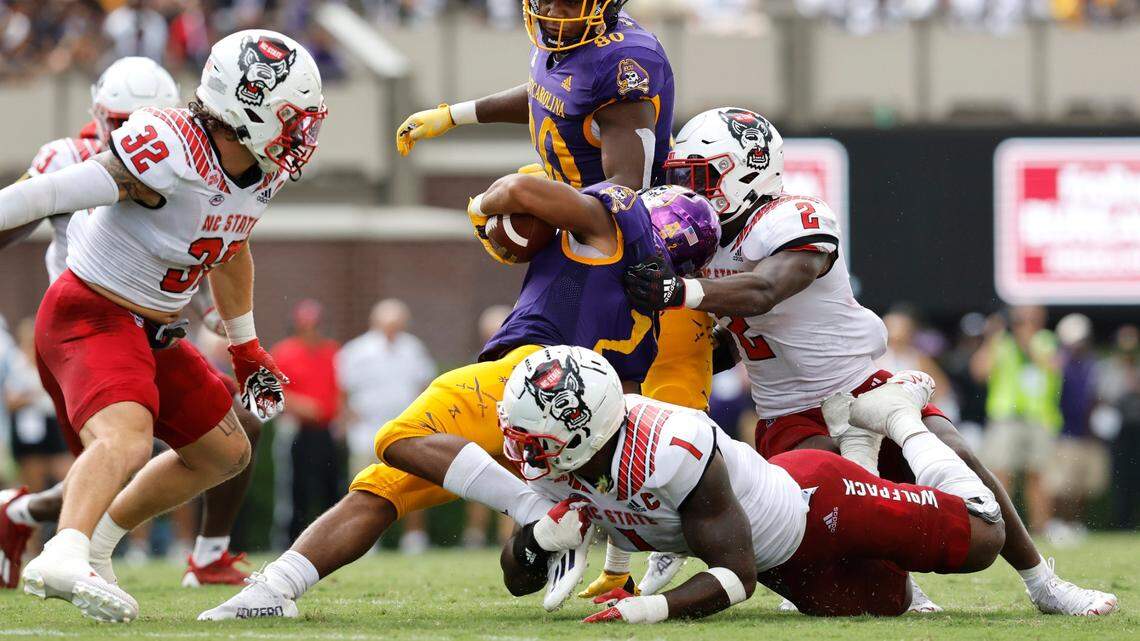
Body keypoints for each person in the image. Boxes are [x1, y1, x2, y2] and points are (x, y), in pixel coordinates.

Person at [623, 106, 1117, 616]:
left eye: (701, 177)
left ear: (749, 168)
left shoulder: (791, 218)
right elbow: (731, 341)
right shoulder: (695, 245)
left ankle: (1043, 582)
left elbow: (768, 289)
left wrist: (680, 290)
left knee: (957, 452)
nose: (689, 190)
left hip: (861, 387)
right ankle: (901, 588)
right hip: (785, 415)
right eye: (681, 177)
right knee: (832, 525)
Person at [199, 177, 721, 620]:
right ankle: (277, 589)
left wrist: (482, 210)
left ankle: (536, 510)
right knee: (399, 499)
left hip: (527, 377)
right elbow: (623, 403)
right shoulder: (652, 321)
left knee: (396, 441)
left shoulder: (614, 223)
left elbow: (516, 188)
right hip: (572, 428)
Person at [0, 29, 326, 621]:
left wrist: (246, 344)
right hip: (90, 311)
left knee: (225, 452)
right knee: (125, 437)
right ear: (245, 106)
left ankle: (96, 546)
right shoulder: (169, 146)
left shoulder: (261, 166)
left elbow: (231, 248)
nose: (301, 130)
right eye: (290, 116)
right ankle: (63, 550)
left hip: (152, 327)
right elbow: (49, 193)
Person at [394, 0, 716, 596]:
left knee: (650, 428)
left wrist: (517, 204)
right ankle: (597, 547)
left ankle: (658, 552)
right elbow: (547, 93)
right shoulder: (569, 48)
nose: (551, 12)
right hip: (585, 247)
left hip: (627, 254)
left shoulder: (627, 66)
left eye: (567, 1)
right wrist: (455, 115)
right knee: (605, 414)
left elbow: (623, 193)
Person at [497, 346, 1043, 621]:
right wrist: (538, 541)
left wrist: (646, 609)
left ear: (585, 425)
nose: (526, 452)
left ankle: (898, 415)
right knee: (889, 601)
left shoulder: (671, 447)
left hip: (815, 503)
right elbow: (518, 580)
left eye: (534, 438)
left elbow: (737, 577)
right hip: (781, 560)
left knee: (981, 541)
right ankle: (860, 444)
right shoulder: (564, 464)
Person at [971, 306, 1060, 533]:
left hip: (1038, 417)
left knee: (1038, 476)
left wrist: (1025, 339)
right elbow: (979, 372)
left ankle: (1041, 529)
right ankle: (999, 528)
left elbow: (1053, 366)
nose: (1025, 321)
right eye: (1020, 318)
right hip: (1005, 417)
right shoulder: (1000, 343)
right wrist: (991, 338)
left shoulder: (1046, 340)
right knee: (1001, 474)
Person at [272, 300, 343, 543]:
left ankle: (333, 538)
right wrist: (299, 404)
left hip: (326, 428)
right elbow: (274, 392)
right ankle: (291, 541)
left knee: (332, 485)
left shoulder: (332, 351)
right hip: (296, 428)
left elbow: (341, 389)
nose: (312, 331)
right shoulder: (285, 351)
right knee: (295, 489)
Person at [1046, 313, 1109, 544]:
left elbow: (1096, 396)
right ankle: (1058, 524)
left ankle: (1076, 525)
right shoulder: (1058, 363)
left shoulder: (1093, 364)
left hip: (1088, 433)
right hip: (1064, 431)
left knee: (1085, 486)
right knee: (1062, 485)